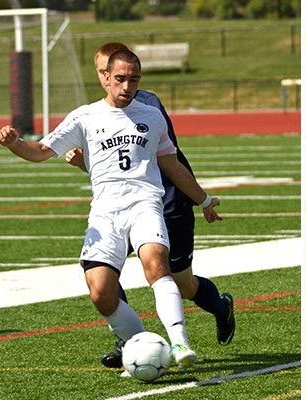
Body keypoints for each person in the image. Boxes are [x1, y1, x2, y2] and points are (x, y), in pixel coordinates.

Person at [0, 49, 220, 371]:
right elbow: (41, 151)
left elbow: (172, 164)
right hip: (105, 213)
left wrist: (205, 200)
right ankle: (142, 344)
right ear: (105, 79)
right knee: (101, 292)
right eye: (120, 79)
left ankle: (179, 341)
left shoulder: (152, 116)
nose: (127, 86)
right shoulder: (84, 117)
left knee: (156, 264)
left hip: (145, 204)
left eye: (134, 79)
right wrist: (14, 143)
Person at [66, 42, 236, 369]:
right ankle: (129, 340)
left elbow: (155, 161)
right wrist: (86, 162)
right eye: (102, 72)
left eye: (111, 71)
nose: (109, 78)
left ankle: (220, 307)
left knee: (182, 282)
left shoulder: (145, 104)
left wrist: (201, 198)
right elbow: (114, 166)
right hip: (122, 205)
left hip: (166, 201)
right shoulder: (101, 110)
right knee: (102, 272)